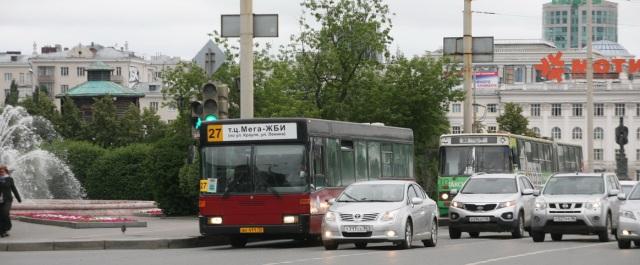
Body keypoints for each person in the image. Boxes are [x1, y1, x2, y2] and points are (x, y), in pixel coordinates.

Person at [0, 165, 22, 238]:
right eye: (0, 171)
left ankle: (7, 226)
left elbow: (14, 189)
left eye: (2, 171)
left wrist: (18, 198)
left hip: (8, 199)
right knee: (1, 215)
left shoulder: (9, 179)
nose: (1, 173)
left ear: (6, 171)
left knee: (5, 213)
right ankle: (2, 231)